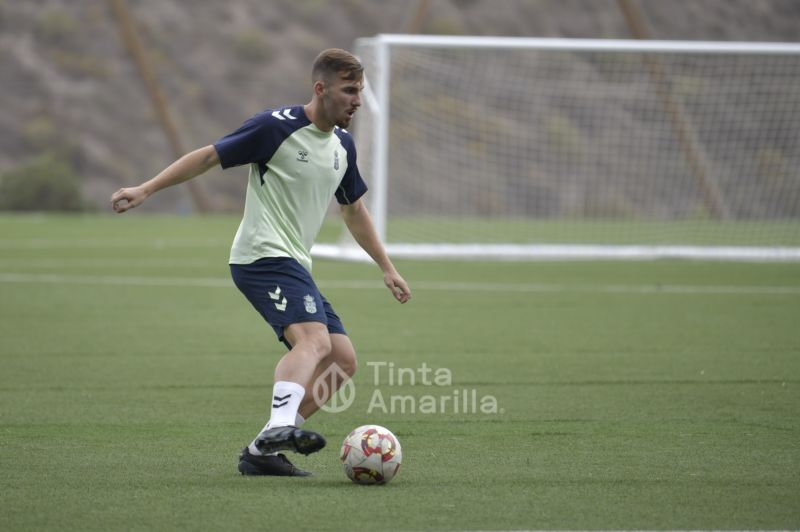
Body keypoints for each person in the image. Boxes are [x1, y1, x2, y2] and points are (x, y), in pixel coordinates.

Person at [111, 48, 411, 477]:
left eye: (360, 91)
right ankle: (279, 427)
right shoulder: (276, 127)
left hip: (293, 263)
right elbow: (210, 156)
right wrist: (147, 188)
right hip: (261, 255)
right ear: (320, 89)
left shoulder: (343, 146)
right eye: (349, 90)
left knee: (342, 360)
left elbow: (353, 210)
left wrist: (386, 266)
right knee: (315, 342)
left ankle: (261, 451)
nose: (357, 100)